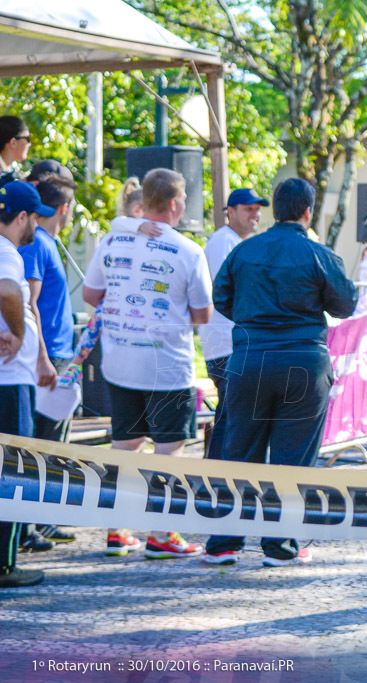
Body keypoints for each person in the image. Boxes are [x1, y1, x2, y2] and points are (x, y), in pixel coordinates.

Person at [203, 178, 357, 567]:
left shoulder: (244, 251)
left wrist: (255, 320)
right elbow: (345, 305)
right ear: (307, 211)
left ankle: (224, 542)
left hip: (249, 359)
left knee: (237, 452)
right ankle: (280, 545)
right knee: (293, 458)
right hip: (303, 362)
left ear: (274, 209)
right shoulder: (319, 254)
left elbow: (221, 297)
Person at [83, 168, 214, 559]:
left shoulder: (113, 239)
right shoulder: (189, 250)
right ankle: (161, 533)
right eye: (185, 199)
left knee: (124, 445)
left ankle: (116, 531)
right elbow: (204, 314)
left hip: (120, 359)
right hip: (167, 366)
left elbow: (91, 294)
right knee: (169, 450)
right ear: (174, 204)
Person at [16, 169, 80, 549]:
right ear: (65, 208)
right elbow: (31, 304)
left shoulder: (47, 242)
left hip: (60, 351)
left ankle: (43, 519)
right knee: (42, 444)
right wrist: (41, 357)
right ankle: (27, 528)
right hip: (49, 353)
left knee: (55, 445)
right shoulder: (38, 243)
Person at [0, 181, 52, 587]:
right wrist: (17, 334)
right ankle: (4, 563)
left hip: (11, 378)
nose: (38, 224)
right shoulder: (6, 252)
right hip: (9, 379)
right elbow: (7, 292)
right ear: (22, 217)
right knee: (15, 469)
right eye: (35, 217)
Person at [198, 187, 267, 461]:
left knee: (232, 419)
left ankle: (215, 478)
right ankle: (213, 479)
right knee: (230, 420)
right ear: (230, 212)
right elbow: (232, 293)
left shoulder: (232, 241)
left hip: (232, 345)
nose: (256, 214)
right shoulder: (223, 242)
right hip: (226, 346)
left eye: (257, 209)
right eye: (248, 208)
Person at [0, 116, 30, 185]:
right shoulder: (6, 179)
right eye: (28, 139)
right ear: (13, 142)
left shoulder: (12, 176)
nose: (29, 144)